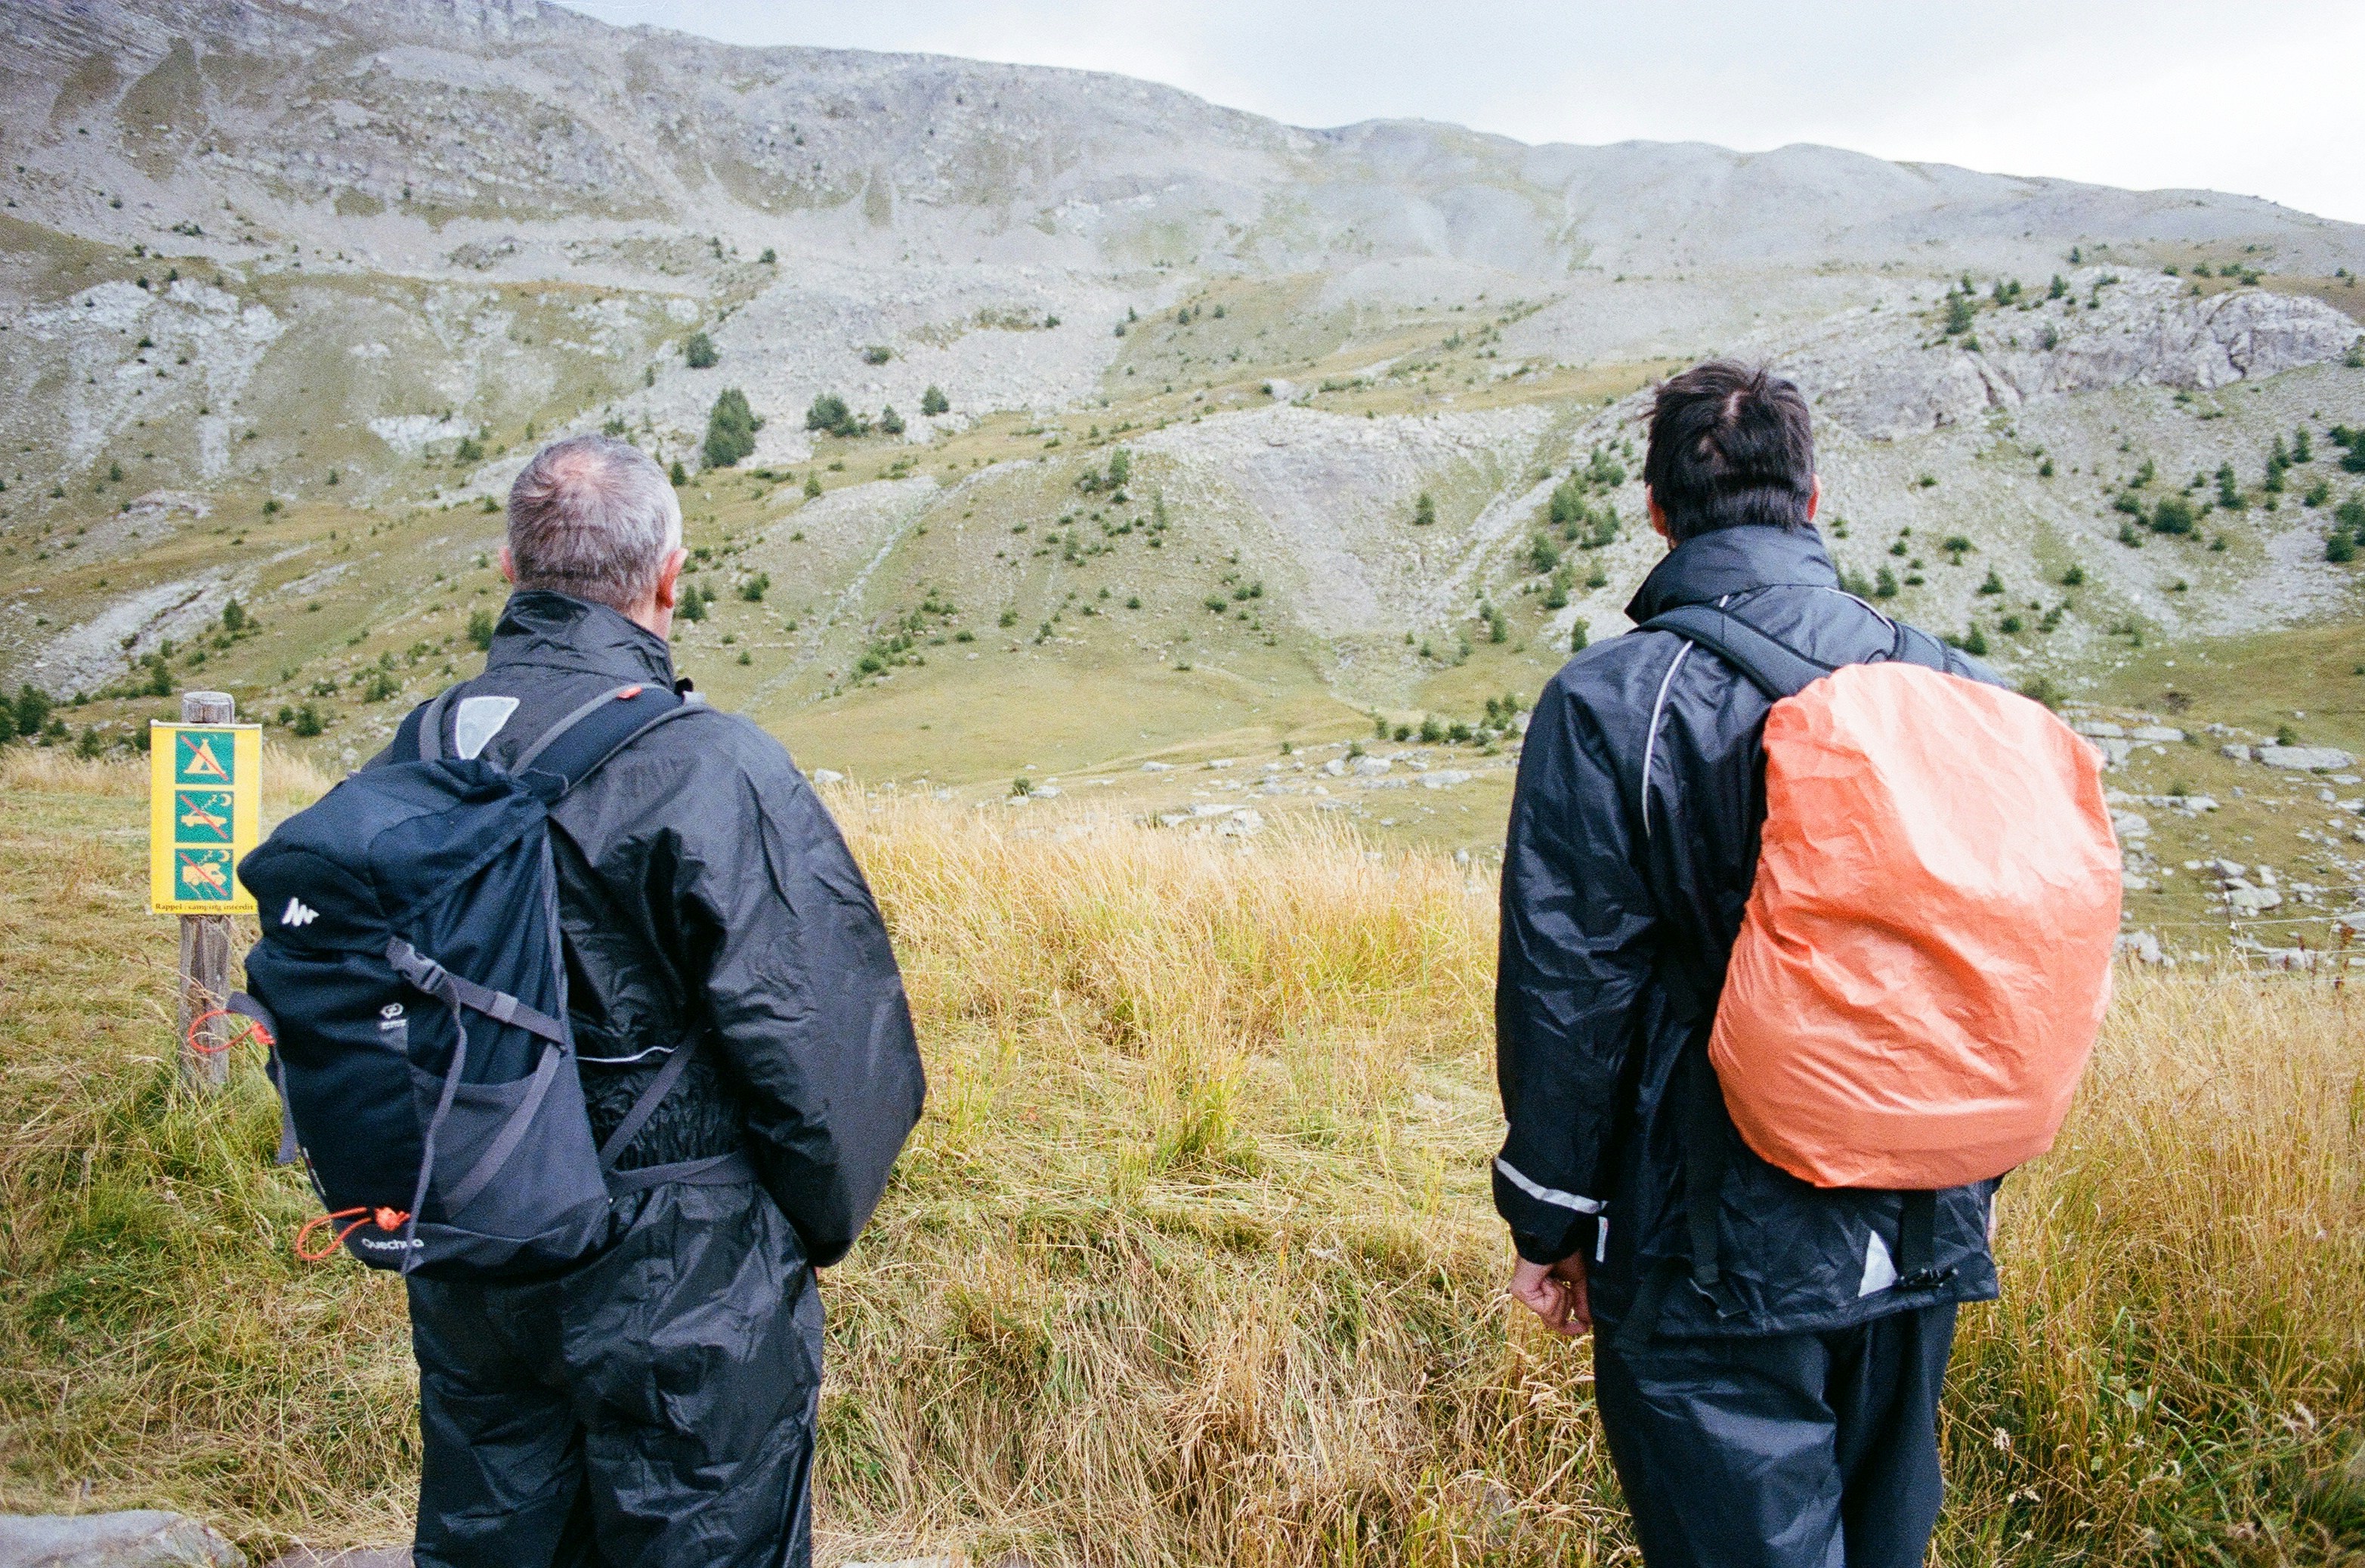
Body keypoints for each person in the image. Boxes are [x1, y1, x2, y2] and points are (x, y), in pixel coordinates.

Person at [1494, 363, 2002, 1567]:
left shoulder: (1611, 700)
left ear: (1657, 511)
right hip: (1923, 1205)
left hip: (1703, 1226)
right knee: (1884, 1540)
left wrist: (1547, 1215)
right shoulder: (1951, 684)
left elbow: (1572, 986)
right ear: (1811, 499)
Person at [394, 435, 926, 1568]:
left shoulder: (421, 750)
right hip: (682, 1270)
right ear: (669, 577)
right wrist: (795, 1235)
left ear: (508, 569)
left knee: (496, 1540)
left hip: (477, 1238)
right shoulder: (711, 767)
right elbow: (828, 1054)